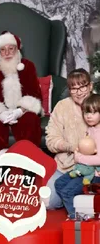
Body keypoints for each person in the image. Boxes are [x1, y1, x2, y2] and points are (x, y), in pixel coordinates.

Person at [0, 31, 43, 182]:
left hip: (22, 110)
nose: (7, 53)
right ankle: (2, 165)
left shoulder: (28, 66)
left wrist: (20, 111)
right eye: (3, 49)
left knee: (31, 118)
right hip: (0, 110)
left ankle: (28, 165)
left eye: (11, 48)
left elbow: (35, 95)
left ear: (17, 48)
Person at [45, 68, 93, 209]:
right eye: (74, 88)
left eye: (83, 86)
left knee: (89, 204)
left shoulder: (98, 104)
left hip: (94, 168)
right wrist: (71, 147)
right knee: (48, 202)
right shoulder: (62, 106)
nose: (79, 92)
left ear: (90, 86)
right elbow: (51, 140)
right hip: (65, 167)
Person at [55, 93, 100, 218]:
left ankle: (77, 218)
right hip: (83, 170)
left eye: (93, 112)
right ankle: (78, 207)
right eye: (86, 113)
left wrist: (79, 158)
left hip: (95, 175)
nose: (89, 116)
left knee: (67, 191)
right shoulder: (91, 128)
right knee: (59, 183)